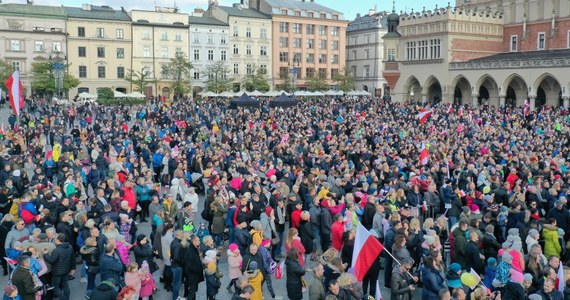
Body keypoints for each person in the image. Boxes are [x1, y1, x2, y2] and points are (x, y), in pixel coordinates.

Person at [42, 233, 74, 300]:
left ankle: (63, 298)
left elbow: (51, 260)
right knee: (65, 285)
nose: (54, 240)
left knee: (55, 287)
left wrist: (46, 254)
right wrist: (73, 268)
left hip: (57, 272)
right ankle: (67, 298)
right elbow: (72, 258)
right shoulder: (70, 247)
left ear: (59, 240)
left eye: (55, 238)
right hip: (66, 270)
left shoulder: (56, 250)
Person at [184, 234, 204, 299]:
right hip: (192, 276)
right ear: (194, 242)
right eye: (198, 240)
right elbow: (189, 265)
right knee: (192, 292)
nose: (199, 241)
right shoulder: (191, 251)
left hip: (194, 276)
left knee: (193, 291)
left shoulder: (193, 249)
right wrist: (197, 271)